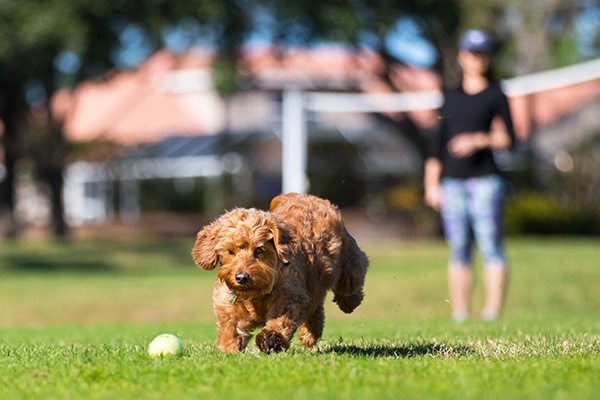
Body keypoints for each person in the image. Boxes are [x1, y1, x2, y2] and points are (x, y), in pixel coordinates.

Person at [424, 29, 516, 322]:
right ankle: (460, 312)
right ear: (462, 57)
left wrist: (480, 139)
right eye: (471, 53)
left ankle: (491, 311)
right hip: (452, 183)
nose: (476, 59)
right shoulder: (449, 96)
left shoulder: (496, 94)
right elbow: (436, 145)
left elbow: (511, 138)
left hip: (486, 181)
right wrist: (431, 184)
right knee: (458, 247)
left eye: (482, 54)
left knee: (490, 245)